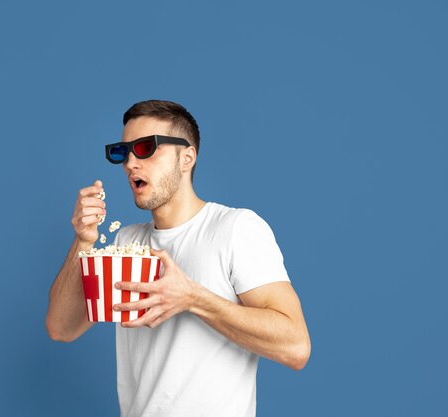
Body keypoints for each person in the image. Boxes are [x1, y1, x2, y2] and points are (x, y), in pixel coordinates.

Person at [46, 99, 311, 417]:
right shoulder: (127, 242)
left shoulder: (235, 229)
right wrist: (83, 241)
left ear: (187, 157)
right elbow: (61, 328)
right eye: (123, 151)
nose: (131, 163)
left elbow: (296, 347)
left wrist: (192, 298)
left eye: (145, 148)